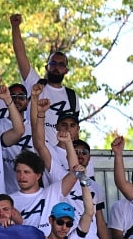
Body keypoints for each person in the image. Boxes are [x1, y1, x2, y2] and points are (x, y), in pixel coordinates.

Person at [10, 14, 81, 146]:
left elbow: (75, 130)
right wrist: (15, 27)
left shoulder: (72, 96)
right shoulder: (35, 84)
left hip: (58, 155)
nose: (56, 68)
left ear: (66, 70)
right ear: (46, 67)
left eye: (61, 65)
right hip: (32, 149)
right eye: (53, 64)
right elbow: (20, 54)